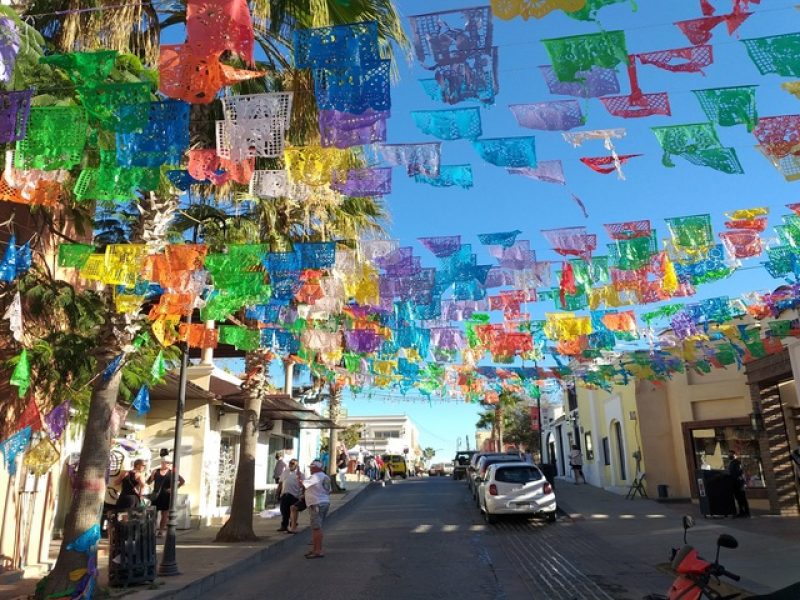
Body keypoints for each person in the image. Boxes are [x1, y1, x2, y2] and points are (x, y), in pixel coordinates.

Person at [147, 453, 185, 537]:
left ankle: (161, 531)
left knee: (165, 514)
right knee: (154, 514)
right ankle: (153, 530)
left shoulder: (172, 472)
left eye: (168, 463)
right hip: (156, 495)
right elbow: (148, 482)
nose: (167, 464)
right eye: (165, 462)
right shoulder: (156, 471)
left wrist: (174, 488)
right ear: (162, 462)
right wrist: (152, 476)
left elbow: (182, 481)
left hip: (166, 495)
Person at [302, 459, 331, 559]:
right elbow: (328, 490)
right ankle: (316, 549)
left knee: (316, 528)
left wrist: (298, 478)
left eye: (311, 467)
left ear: (316, 468)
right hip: (324, 502)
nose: (310, 469)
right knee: (317, 527)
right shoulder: (325, 477)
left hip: (316, 504)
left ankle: (318, 550)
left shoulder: (315, 476)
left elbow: (303, 484)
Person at [277, 458, 302, 532]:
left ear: (296, 465)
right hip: (285, 494)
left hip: (294, 495)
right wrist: (278, 492)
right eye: (290, 463)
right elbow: (281, 483)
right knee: (284, 511)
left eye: (293, 463)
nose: (290, 464)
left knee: (293, 511)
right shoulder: (285, 472)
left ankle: (293, 525)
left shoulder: (300, 474)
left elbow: (303, 485)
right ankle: (284, 525)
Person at [728, 450, 750, 518]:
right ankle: (741, 512)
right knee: (738, 498)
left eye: (731, 454)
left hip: (739, 483)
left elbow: (738, 473)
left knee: (742, 498)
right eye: (729, 454)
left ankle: (745, 513)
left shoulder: (737, 463)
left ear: (735, 455)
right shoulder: (731, 463)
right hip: (735, 483)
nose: (730, 455)